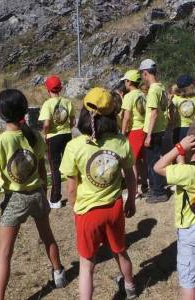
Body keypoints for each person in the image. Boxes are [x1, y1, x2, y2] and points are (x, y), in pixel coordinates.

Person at [60, 87, 137, 300]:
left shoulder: (74, 146)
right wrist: (131, 198)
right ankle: (130, 287)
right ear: (113, 115)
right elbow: (130, 176)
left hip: (88, 213)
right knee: (120, 250)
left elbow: (72, 188)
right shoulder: (121, 142)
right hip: (114, 208)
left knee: (86, 264)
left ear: (85, 112)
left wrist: (76, 209)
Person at [0, 89, 66, 300]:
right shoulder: (34, 137)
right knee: (47, 236)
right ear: (25, 109)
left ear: (0, 112)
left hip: (14, 199)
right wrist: (44, 191)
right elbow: (42, 169)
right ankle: (59, 273)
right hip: (37, 194)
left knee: (5, 252)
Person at [154, 120, 195, 300]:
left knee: (189, 279)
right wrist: (182, 157)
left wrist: (178, 148)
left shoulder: (190, 173)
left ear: (193, 146)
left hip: (192, 232)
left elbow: (157, 167)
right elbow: (187, 174)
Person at [38, 75, 76, 208]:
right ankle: (76, 192)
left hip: (53, 138)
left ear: (48, 90)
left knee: (55, 168)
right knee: (70, 165)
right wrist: (66, 128)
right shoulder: (68, 102)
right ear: (60, 88)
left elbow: (47, 124)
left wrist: (45, 133)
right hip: (66, 135)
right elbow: (73, 122)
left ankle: (55, 199)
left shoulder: (47, 104)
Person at [139, 58, 168, 203]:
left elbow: (154, 113)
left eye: (141, 75)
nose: (142, 79)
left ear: (145, 73)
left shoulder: (153, 91)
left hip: (154, 131)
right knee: (157, 159)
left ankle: (159, 191)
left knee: (153, 162)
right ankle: (157, 187)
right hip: (161, 129)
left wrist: (148, 135)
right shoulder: (161, 88)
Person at [121, 70, 148, 198]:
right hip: (144, 129)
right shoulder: (142, 95)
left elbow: (126, 117)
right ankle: (145, 185)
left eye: (125, 81)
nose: (124, 83)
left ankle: (134, 191)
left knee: (131, 162)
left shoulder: (128, 96)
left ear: (129, 82)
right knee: (140, 160)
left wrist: (122, 133)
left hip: (135, 131)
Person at [171, 74, 195, 163]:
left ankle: (180, 173)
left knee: (179, 153)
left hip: (178, 130)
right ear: (191, 86)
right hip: (191, 130)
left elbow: (171, 112)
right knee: (190, 153)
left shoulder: (175, 99)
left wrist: (173, 120)